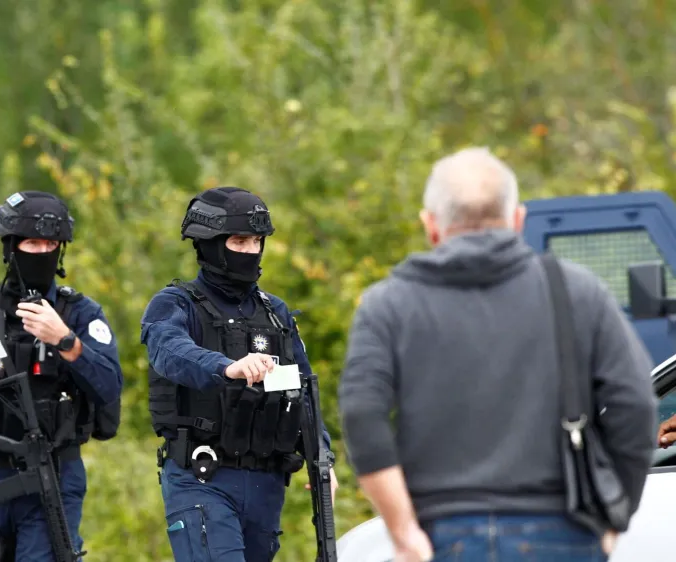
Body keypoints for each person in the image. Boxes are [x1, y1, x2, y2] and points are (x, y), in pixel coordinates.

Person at [338, 147, 658, 562]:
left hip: (443, 537)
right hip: (563, 533)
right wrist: (617, 516)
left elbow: (362, 415)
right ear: (518, 220)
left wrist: (403, 533)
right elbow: (634, 404)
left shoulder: (388, 304)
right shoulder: (577, 292)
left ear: (431, 224)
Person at [141, 186, 339, 561]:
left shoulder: (275, 313)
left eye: (256, 242)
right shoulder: (175, 303)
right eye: (238, 241)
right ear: (210, 244)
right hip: (203, 478)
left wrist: (321, 459)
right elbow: (167, 350)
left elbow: (304, 392)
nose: (250, 251)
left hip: (265, 482)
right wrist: (226, 366)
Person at [0, 190, 123, 561]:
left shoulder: (80, 314)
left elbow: (110, 387)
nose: (41, 253)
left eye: (50, 244)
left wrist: (66, 341)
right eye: (31, 243)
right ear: (11, 247)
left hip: (54, 476)